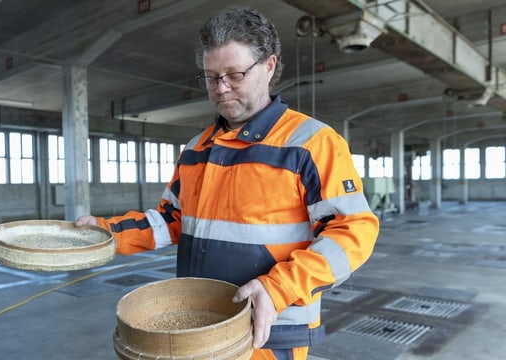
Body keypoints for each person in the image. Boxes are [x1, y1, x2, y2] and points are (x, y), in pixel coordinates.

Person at [76, 7, 379, 360]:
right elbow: (170, 220)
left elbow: (353, 231)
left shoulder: (310, 144)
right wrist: (103, 233)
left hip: (268, 334)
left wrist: (279, 287)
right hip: (198, 329)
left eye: (234, 74)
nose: (221, 89)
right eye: (210, 76)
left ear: (268, 65)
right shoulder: (196, 149)